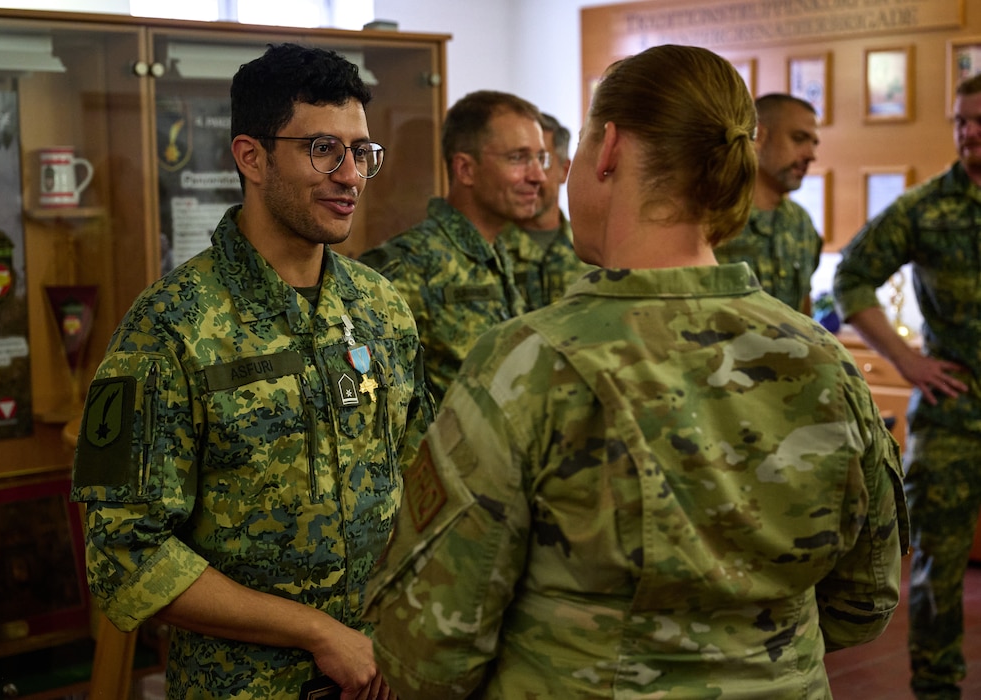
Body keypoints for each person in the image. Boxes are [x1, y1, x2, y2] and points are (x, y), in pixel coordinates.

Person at [363, 44, 908, 700]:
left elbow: (429, 647)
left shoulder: (532, 363)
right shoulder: (828, 365)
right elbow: (867, 602)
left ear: (610, 148)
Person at [70, 42, 432, 700]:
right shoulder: (168, 328)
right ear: (251, 157)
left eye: (362, 152)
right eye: (323, 148)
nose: (350, 175)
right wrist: (318, 633)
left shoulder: (381, 309)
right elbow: (126, 553)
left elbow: (422, 484)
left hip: (388, 675)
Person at [833, 73, 981, 700]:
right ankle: (937, 687)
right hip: (954, 411)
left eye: (979, 122)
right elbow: (853, 277)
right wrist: (906, 361)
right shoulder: (926, 208)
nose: (968, 133)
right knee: (937, 570)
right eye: (959, 121)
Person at [359, 90, 545, 401]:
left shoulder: (499, 253)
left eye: (541, 158)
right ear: (465, 170)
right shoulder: (409, 265)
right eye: (518, 158)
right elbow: (379, 405)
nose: (538, 175)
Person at [714, 93, 822, 313]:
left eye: (814, 143)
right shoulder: (713, 215)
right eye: (799, 138)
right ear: (759, 136)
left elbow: (804, 311)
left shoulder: (800, 222)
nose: (811, 155)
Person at [501, 112, 595, 310]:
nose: (531, 175)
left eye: (542, 160)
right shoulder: (490, 251)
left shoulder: (594, 252)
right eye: (518, 160)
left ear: (564, 170)